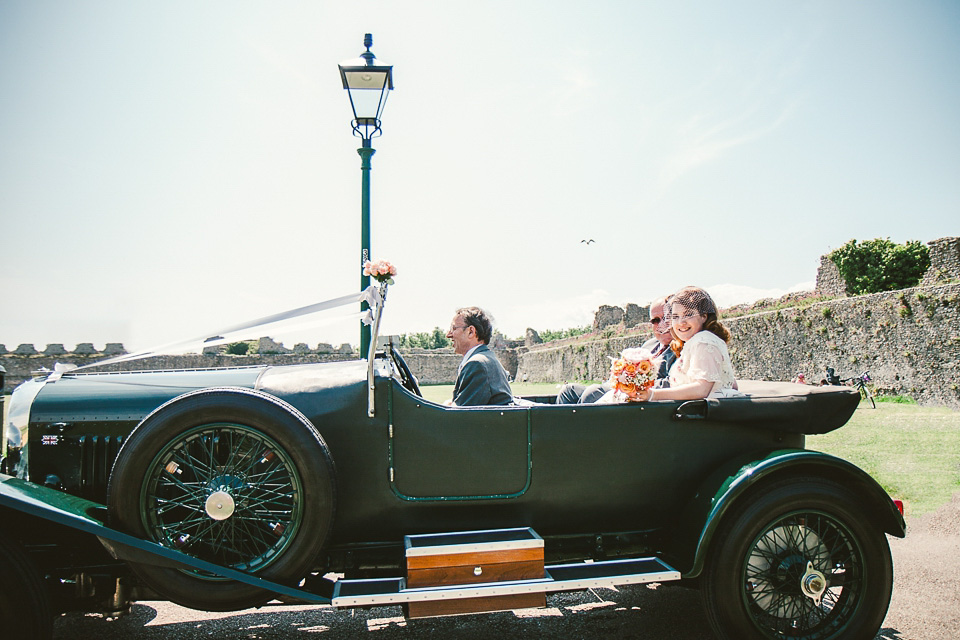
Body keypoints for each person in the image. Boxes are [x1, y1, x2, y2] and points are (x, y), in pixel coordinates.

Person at [626, 286, 740, 403]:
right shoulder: (698, 341)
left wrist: (653, 394)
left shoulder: (703, 341)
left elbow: (702, 389)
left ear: (704, 316)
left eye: (688, 315)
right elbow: (732, 384)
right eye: (675, 317)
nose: (681, 322)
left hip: (703, 415)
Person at [557, 297, 676, 404]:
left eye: (666, 318)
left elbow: (671, 384)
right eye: (655, 320)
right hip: (618, 389)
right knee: (569, 390)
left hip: (641, 399)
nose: (662, 325)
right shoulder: (650, 344)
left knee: (592, 393)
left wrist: (632, 381)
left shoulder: (681, 348)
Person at [445, 306, 513, 406]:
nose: (448, 335)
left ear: (471, 331)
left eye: (454, 328)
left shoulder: (477, 364)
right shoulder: (486, 358)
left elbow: (459, 416)